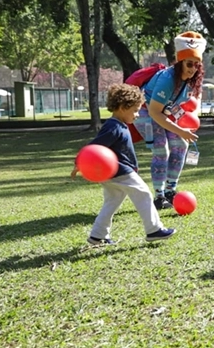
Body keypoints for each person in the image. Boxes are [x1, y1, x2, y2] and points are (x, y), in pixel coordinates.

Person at [71, 84, 175, 245]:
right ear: (121, 107)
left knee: (111, 202)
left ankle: (98, 236)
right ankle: (154, 229)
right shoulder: (113, 127)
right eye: (134, 110)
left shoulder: (118, 125)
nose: (137, 115)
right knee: (144, 194)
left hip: (111, 175)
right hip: (121, 172)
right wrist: (80, 161)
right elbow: (95, 146)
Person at [135, 31, 204, 210]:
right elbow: (154, 112)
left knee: (181, 144)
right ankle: (159, 196)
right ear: (180, 62)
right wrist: (181, 130)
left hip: (163, 113)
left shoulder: (189, 81)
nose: (193, 69)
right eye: (189, 64)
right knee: (161, 150)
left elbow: (184, 105)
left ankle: (170, 191)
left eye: (197, 65)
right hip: (145, 112)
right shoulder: (167, 79)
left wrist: (185, 126)